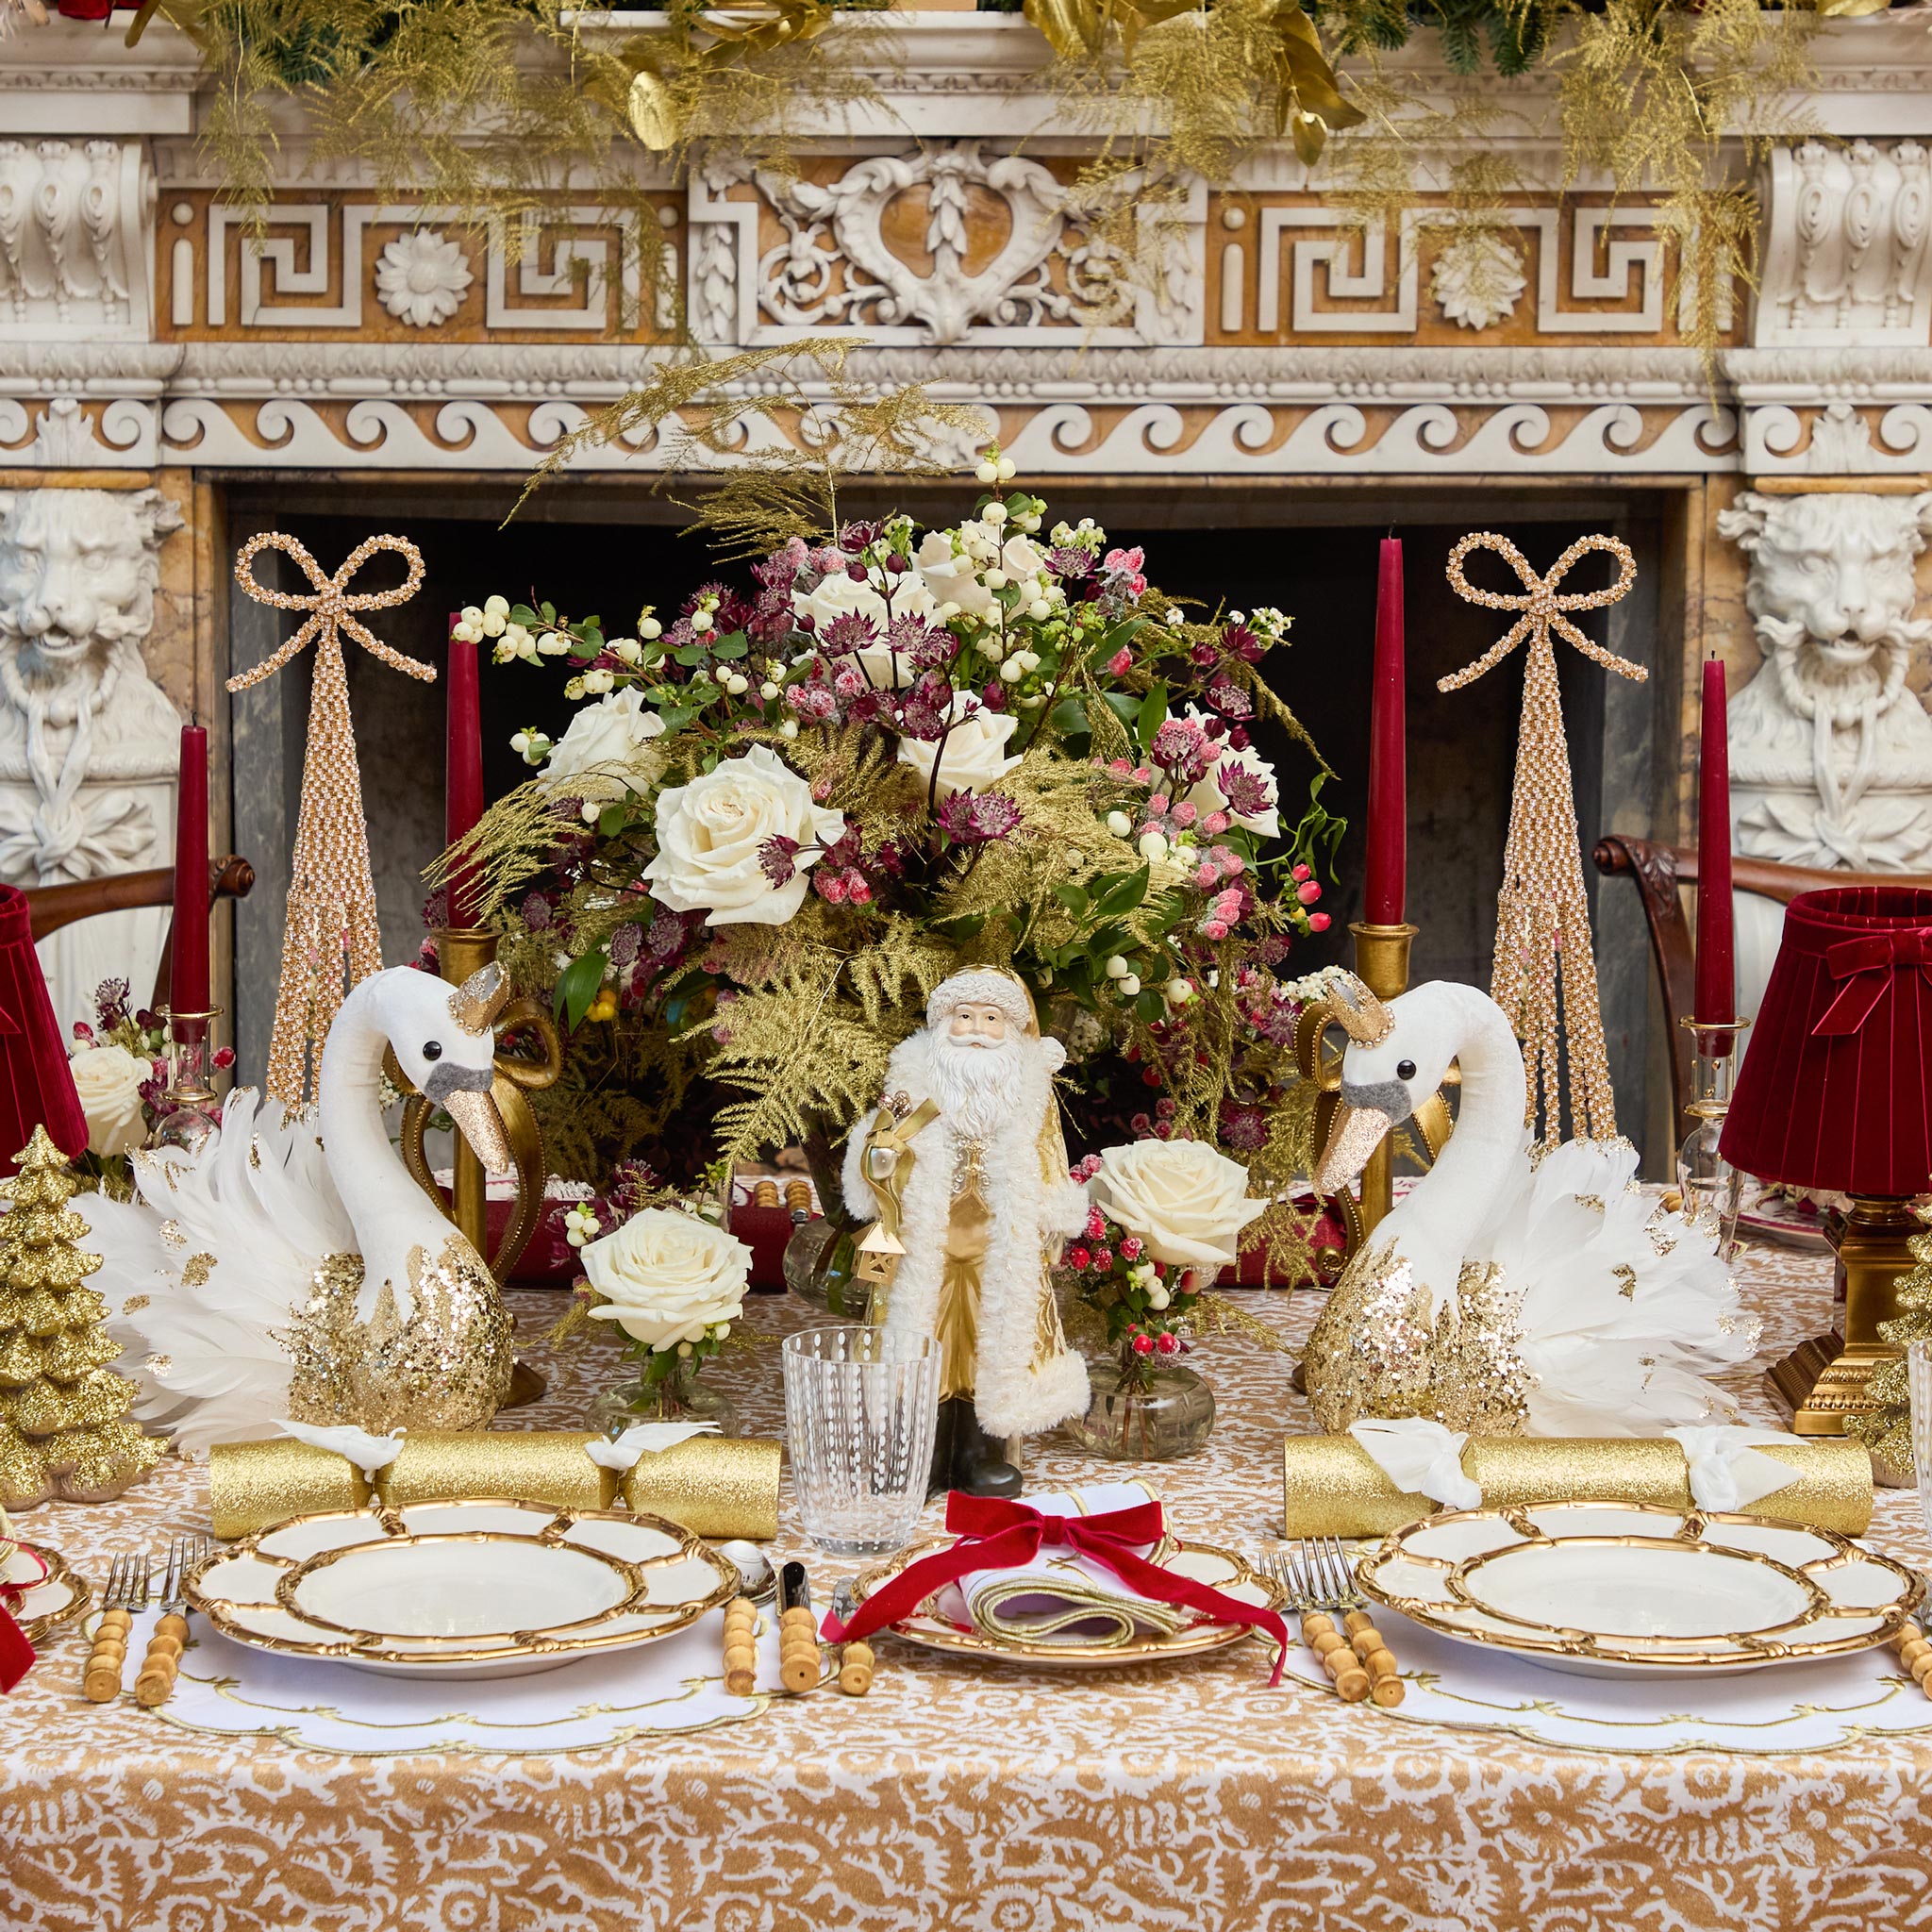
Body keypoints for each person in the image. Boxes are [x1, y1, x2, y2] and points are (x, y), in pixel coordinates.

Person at [842, 967, 1090, 1495]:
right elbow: (877, 1141)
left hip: (996, 1245)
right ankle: (921, 1449)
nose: (976, 1029)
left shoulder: (1029, 1092)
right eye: (964, 1017)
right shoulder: (912, 1084)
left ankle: (978, 1451)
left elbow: (1050, 1157)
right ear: (942, 1023)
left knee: (989, 1340)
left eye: (991, 1018)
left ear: (1012, 1027)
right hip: (924, 1242)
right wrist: (878, 1160)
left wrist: (1052, 1221)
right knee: (920, 1336)